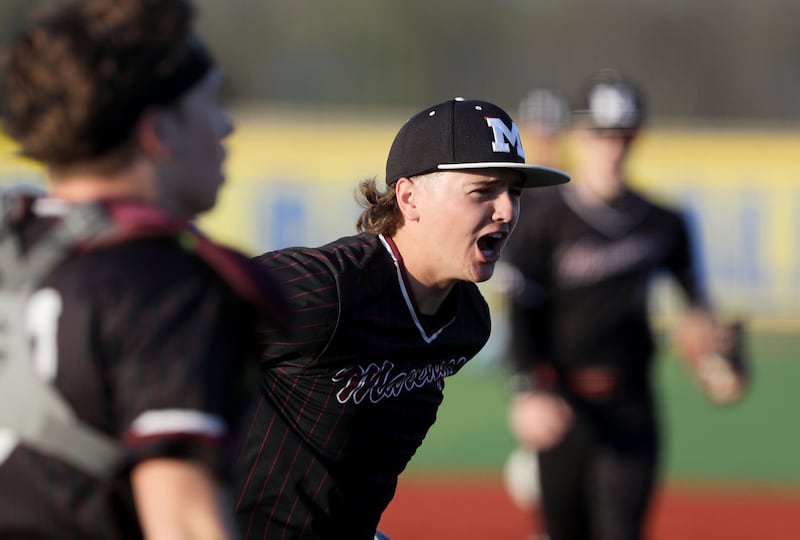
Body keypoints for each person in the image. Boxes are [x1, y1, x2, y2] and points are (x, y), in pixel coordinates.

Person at [0, 1, 288, 538]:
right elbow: (182, 520)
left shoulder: (11, 242)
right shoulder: (165, 283)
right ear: (158, 132)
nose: (225, 126)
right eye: (211, 103)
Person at [232, 97, 571, 539]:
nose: (506, 211)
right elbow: (179, 310)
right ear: (409, 198)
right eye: (483, 191)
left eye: (514, 193)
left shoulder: (467, 322)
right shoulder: (331, 290)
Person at [503, 69, 748, 540]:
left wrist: (719, 356)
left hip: (632, 405)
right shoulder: (543, 222)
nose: (611, 147)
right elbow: (521, 313)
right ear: (577, 135)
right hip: (563, 406)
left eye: (623, 135)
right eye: (600, 134)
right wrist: (527, 390)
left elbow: (698, 306)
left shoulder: (664, 223)